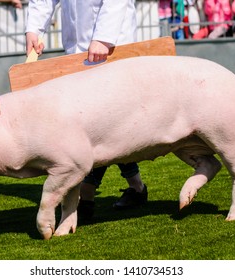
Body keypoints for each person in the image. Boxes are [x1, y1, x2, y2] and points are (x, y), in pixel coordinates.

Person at [25, 0, 148, 219]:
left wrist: (104, 36)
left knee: (100, 124)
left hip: (112, 47)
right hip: (79, 51)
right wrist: (34, 28)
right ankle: (135, 187)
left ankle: (87, 194)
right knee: (97, 125)